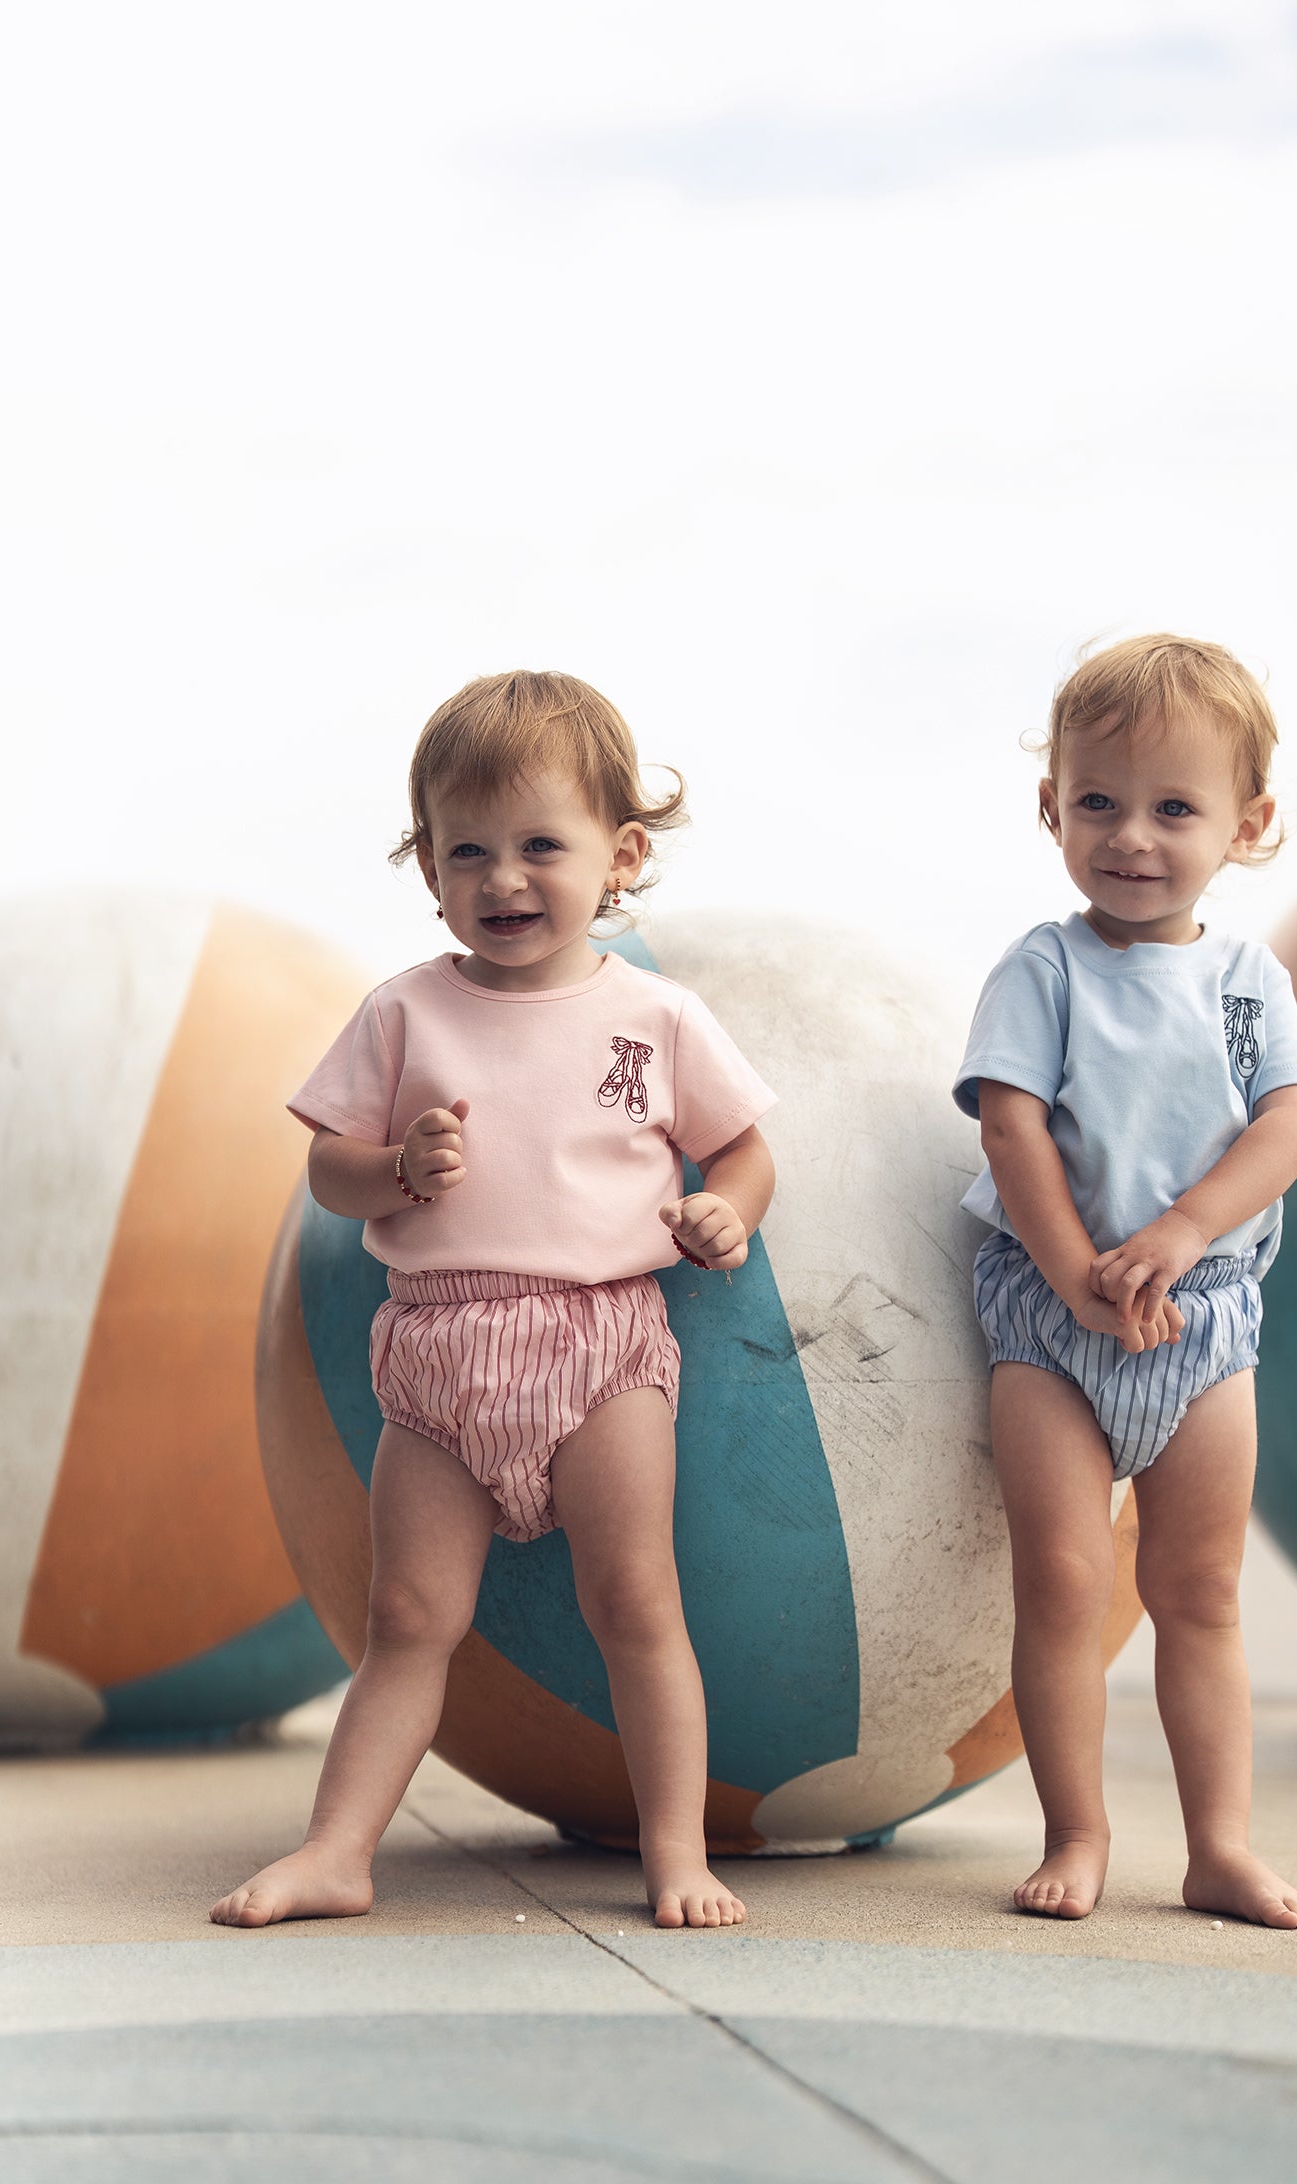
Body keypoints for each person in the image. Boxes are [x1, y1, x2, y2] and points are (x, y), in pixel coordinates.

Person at [212, 671, 775, 1931]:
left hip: (600, 1346)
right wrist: (396, 1168)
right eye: (468, 850)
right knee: (408, 1616)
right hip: (438, 1353)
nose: (504, 877)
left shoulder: (655, 1015)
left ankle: (677, 1853)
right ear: (428, 869)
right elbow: (328, 1170)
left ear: (620, 855)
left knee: (635, 1600)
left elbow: (741, 1147)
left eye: (539, 846)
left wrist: (728, 1209)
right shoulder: (405, 1010)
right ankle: (338, 1850)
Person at [953, 635, 1297, 1928]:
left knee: (1196, 1592)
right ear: (1053, 805)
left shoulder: (1247, 981)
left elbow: (1290, 1124)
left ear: (1248, 823)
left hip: (1203, 1323)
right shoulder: (1045, 968)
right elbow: (1009, 1127)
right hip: (1049, 1325)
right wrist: (1072, 1279)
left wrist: (1181, 1231)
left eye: (1176, 807)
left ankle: (1219, 1846)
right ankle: (1079, 1831)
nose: (1133, 836)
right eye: (1100, 801)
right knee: (1061, 1579)